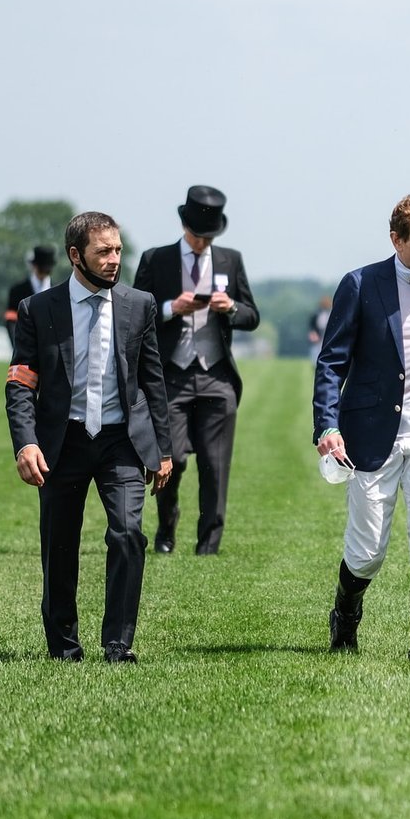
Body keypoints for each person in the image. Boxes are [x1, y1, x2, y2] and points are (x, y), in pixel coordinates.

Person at [4, 212, 173, 663]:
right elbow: (20, 384)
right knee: (59, 545)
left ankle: (118, 643)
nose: (114, 259)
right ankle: (64, 646)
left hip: (122, 442)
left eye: (118, 249)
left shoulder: (140, 305)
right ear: (76, 256)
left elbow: (153, 381)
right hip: (62, 442)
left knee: (128, 533)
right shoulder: (38, 309)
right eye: (104, 251)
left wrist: (164, 449)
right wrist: (26, 442)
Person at [312, 195, 410, 659]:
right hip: (371, 435)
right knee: (366, 553)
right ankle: (344, 619)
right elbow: (331, 363)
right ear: (396, 240)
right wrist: (327, 425)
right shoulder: (360, 285)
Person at [133, 185, 260, 556]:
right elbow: (135, 313)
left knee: (215, 464)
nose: (203, 243)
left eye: (209, 237)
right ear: (184, 226)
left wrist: (230, 307)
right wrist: (171, 308)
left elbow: (252, 315)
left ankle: (208, 544)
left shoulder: (230, 260)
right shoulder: (155, 259)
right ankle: (166, 528)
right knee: (172, 459)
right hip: (170, 376)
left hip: (217, 375)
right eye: (198, 236)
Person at [4, 245, 57, 346]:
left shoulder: (57, 291)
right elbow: (11, 320)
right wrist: (17, 345)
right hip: (25, 344)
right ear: (34, 266)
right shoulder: (17, 291)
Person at [307, 295, 332, 363]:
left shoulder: (331, 313)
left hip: (327, 337)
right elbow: (312, 326)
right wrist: (313, 334)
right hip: (318, 336)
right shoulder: (316, 314)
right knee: (315, 353)